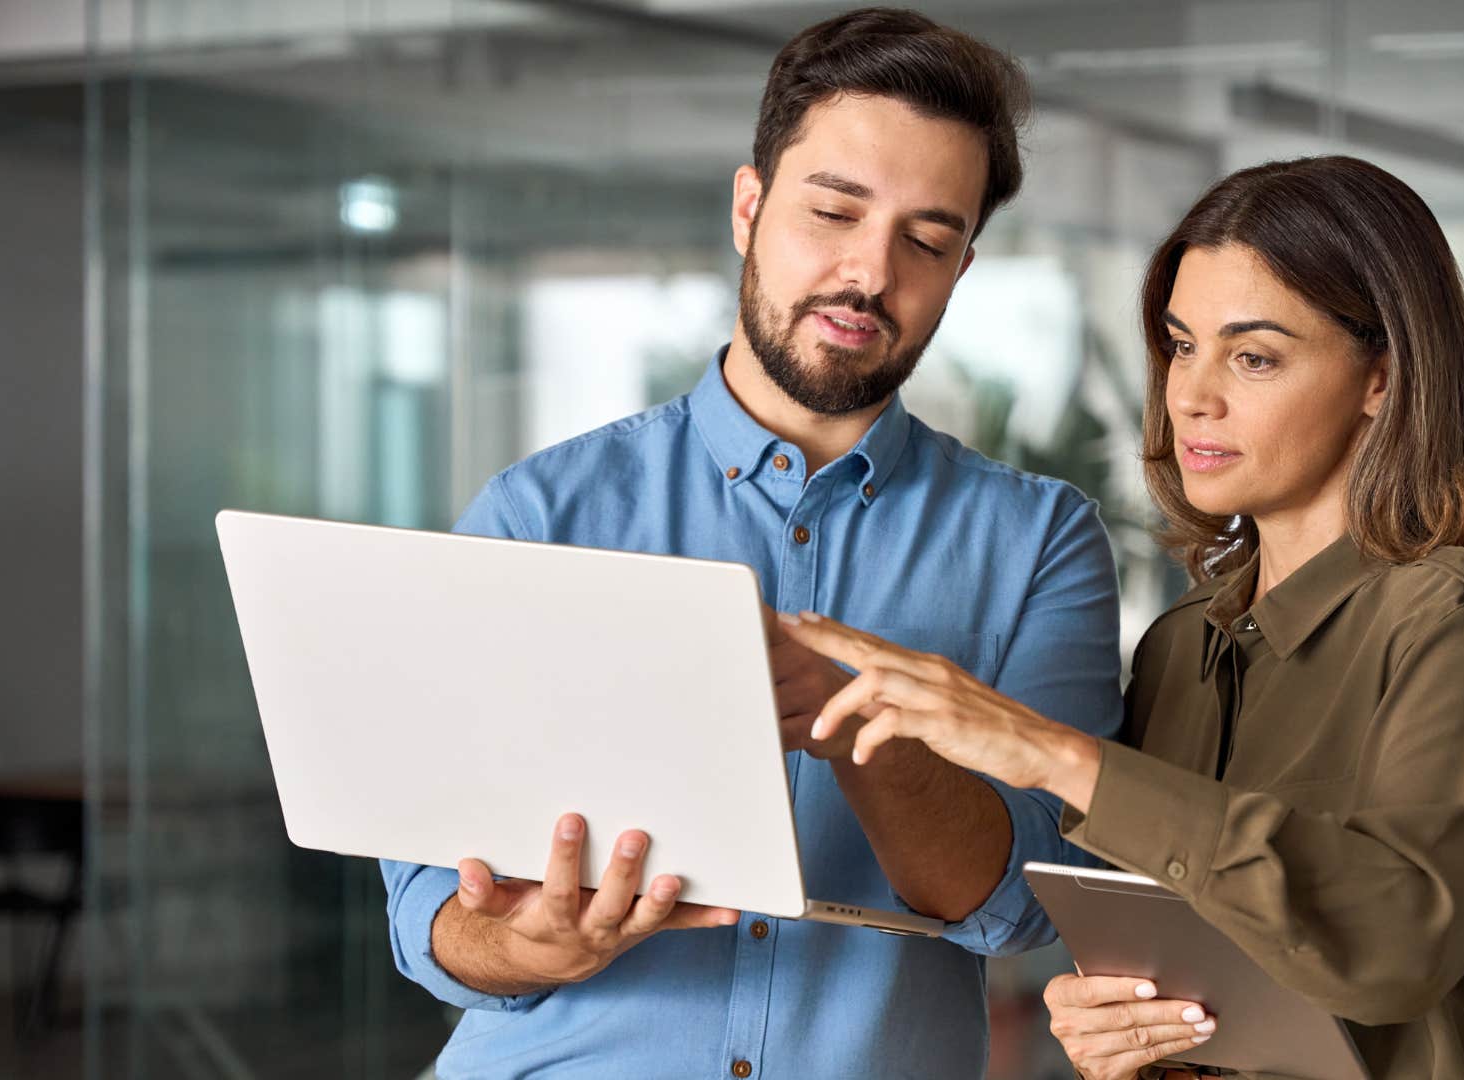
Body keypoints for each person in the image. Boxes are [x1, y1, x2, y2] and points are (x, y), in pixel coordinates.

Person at [379, 9, 1124, 1077]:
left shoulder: (1039, 540)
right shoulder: (540, 515)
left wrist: (851, 721)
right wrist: (519, 942)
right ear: (749, 206)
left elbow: (1022, 906)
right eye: (833, 211)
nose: (870, 274)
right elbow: (426, 912)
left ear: (962, 267)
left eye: (927, 239)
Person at [782, 154, 1464, 1079]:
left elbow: (1393, 944)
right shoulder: (1182, 646)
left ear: (1383, 378)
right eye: (1181, 345)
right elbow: (1184, 958)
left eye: (1253, 357)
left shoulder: (1453, 616)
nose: (1192, 396)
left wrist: (1053, 753)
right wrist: (1109, 1021)